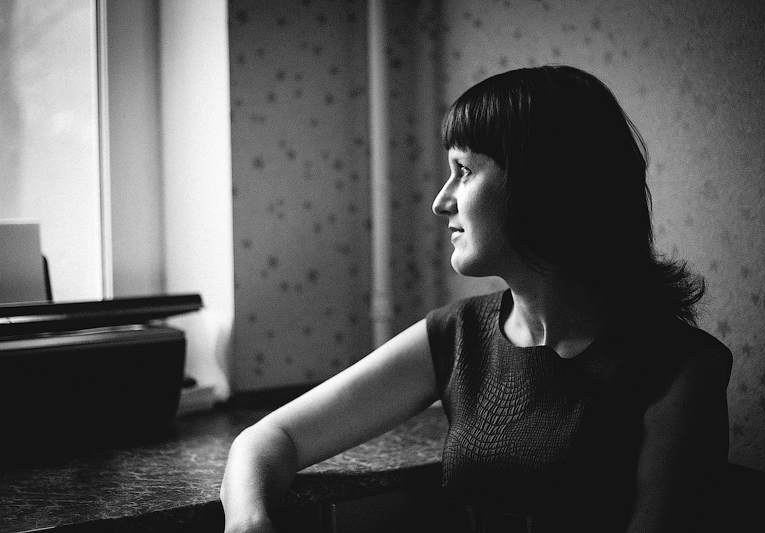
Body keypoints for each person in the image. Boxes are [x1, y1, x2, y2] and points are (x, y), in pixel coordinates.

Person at [221, 65, 732, 532]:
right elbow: (270, 439)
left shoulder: (679, 370)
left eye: (463, 170)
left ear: (543, 183)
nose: (440, 201)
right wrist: (247, 522)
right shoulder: (459, 334)